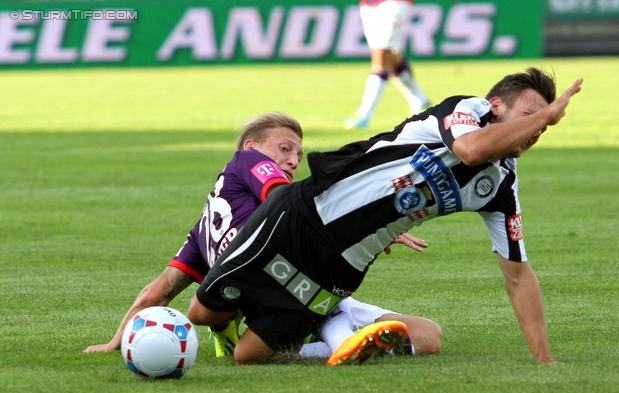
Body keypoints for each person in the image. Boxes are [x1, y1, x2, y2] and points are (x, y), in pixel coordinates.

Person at [188, 68, 583, 366]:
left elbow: (517, 274)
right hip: (303, 216)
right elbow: (470, 150)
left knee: (249, 356)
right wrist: (545, 116)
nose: (534, 132)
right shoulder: (466, 111)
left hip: (341, 269)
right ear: (495, 106)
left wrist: (543, 359)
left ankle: (344, 342)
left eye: (541, 126)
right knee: (202, 313)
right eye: (528, 116)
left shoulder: (499, 187)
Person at [84, 112, 442, 365]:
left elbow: (159, 290)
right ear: (252, 146)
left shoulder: (206, 229)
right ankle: (340, 334)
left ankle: (346, 338)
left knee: (428, 338)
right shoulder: (247, 162)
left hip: (303, 288)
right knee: (243, 352)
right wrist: (116, 343)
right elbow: (286, 203)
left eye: (299, 155)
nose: (293, 160)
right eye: (285, 148)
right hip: (282, 296)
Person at [344, 0, 430, 130]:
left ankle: (364, 114)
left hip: (394, 3)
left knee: (381, 56)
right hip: (369, 4)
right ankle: (420, 101)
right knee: (389, 55)